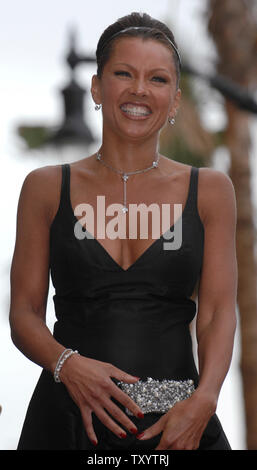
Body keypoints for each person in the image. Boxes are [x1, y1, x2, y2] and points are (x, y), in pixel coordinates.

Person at [9, 11, 237, 450]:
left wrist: (205, 400)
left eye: (158, 79)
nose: (139, 90)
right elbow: (23, 314)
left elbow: (216, 314)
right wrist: (68, 366)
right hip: (68, 421)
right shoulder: (45, 187)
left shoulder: (209, 190)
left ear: (174, 100)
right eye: (123, 73)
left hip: (178, 424)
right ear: (97, 87)